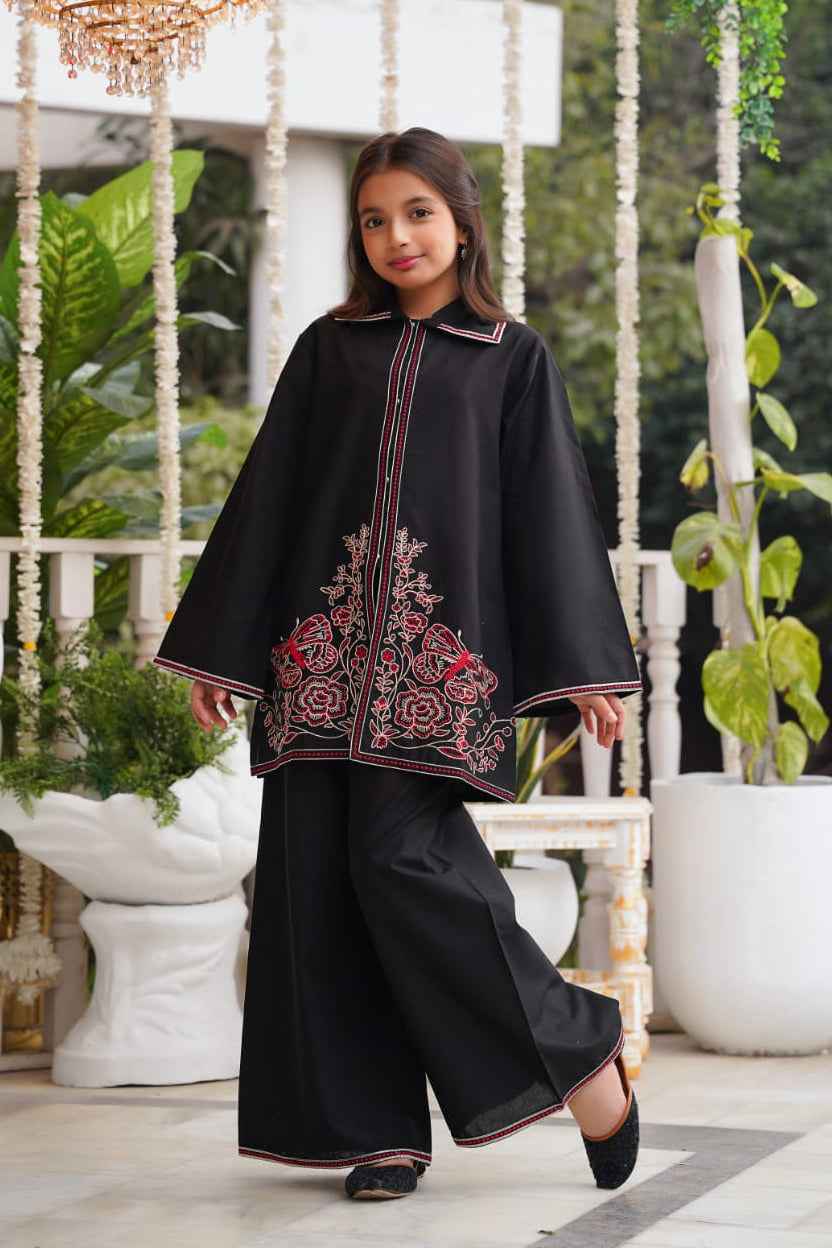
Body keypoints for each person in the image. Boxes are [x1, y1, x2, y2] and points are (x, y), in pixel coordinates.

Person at [155, 127, 642, 1202]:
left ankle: (581, 1048)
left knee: (402, 863)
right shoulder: (331, 351)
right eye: (374, 219)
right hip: (316, 660)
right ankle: (374, 1132)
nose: (395, 237)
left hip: (439, 668)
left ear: (460, 220)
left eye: (416, 213)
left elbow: (549, 518)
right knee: (318, 888)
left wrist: (584, 667)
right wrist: (225, 651)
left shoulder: (509, 357)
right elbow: (269, 501)